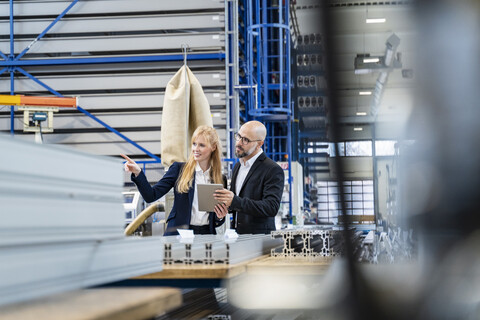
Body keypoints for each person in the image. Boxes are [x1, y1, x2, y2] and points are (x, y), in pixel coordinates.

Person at [121, 125, 227, 236]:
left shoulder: (220, 179)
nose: (196, 149)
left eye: (202, 145)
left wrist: (220, 217)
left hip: (206, 235)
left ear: (213, 147)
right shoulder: (179, 170)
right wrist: (138, 173)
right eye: (194, 144)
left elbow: (216, 220)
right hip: (179, 234)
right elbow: (151, 195)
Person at [213, 121, 285, 234]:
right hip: (237, 236)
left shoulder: (272, 169)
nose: (238, 143)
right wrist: (224, 209)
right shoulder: (238, 166)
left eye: (245, 140)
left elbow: (271, 207)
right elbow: (236, 202)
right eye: (239, 136)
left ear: (259, 144)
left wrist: (234, 201)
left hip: (259, 239)